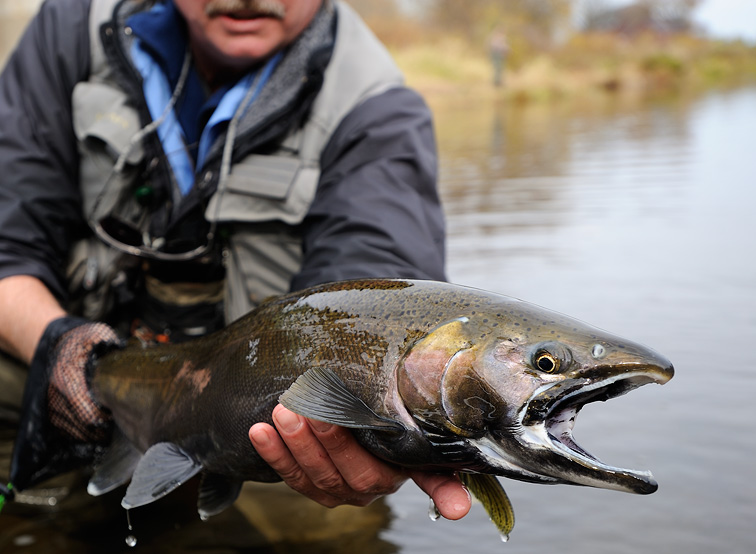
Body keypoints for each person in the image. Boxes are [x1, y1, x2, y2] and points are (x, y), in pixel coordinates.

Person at [0, 0, 471, 520]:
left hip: (251, 416)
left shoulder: (374, 106)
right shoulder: (71, 30)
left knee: (335, 505)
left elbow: (372, 296)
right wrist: (61, 348)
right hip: (82, 355)